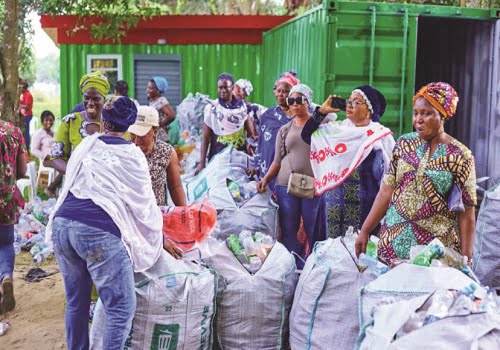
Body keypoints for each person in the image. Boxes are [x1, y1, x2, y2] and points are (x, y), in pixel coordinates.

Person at [46, 97, 162, 349]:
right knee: (120, 308)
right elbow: (142, 204)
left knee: (76, 301)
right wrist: (157, 237)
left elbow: (72, 184)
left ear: (103, 120)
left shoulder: (87, 145)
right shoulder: (131, 154)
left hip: (63, 226)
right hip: (96, 233)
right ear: (130, 124)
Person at [355, 82, 477, 264]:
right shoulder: (404, 144)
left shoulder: (460, 155)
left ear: (442, 115)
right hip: (393, 245)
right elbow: (386, 192)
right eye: (416, 113)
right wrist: (365, 230)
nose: (418, 119)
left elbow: (467, 211)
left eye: (426, 113)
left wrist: (467, 258)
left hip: (434, 254)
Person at [301, 86, 395, 238]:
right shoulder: (337, 131)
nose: (349, 105)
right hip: (331, 209)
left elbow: (388, 178)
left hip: (363, 210)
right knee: (329, 254)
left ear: (369, 110)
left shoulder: (379, 137)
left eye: (357, 102)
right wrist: (322, 112)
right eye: (349, 101)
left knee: (356, 257)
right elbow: (306, 136)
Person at [256, 84, 327, 268]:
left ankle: (313, 267)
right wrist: (265, 179)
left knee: (314, 229)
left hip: (312, 185)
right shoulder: (285, 130)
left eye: (299, 100)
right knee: (289, 229)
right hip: (285, 185)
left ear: (308, 102)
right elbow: (277, 160)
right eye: (291, 101)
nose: (294, 104)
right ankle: (289, 268)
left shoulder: (320, 127)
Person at [51, 70, 110, 174]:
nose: (90, 103)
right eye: (87, 98)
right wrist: (75, 173)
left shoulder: (113, 123)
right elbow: (56, 158)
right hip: (76, 184)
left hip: (106, 185)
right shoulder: (70, 121)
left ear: (104, 99)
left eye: (96, 99)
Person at [128, 105, 187, 207]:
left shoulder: (166, 152)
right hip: (129, 213)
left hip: (156, 214)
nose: (136, 140)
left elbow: (175, 186)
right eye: (133, 134)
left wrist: (184, 213)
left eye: (142, 135)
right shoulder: (125, 150)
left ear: (155, 131)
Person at [195, 73, 251, 175]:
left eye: (226, 87)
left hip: (239, 157)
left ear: (232, 88)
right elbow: (206, 137)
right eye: (220, 87)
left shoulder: (242, 108)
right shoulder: (212, 108)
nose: (223, 90)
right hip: (218, 156)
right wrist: (202, 163)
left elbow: (250, 134)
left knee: (237, 187)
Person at [253, 71, 300, 191]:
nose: (280, 94)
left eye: (285, 91)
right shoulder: (267, 115)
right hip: (268, 168)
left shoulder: (301, 115)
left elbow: (331, 117)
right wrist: (256, 166)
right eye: (278, 90)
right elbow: (261, 145)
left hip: (292, 172)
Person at [0, 117, 27, 314]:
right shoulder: (14, 131)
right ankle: (6, 276)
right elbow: (22, 170)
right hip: (6, 197)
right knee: (6, 243)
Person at [31, 110, 64, 197]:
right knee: (63, 168)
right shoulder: (39, 134)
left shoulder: (55, 134)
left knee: (67, 166)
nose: (49, 122)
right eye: (46, 120)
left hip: (56, 158)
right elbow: (34, 150)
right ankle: (52, 189)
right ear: (42, 121)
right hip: (46, 160)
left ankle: (55, 188)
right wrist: (45, 156)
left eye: (50, 120)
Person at [147, 77, 176, 143]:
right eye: (148, 88)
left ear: (158, 90)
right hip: (155, 136)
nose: (147, 90)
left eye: (151, 88)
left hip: (161, 137)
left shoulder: (161, 100)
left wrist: (160, 124)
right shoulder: (152, 100)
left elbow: (172, 116)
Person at [19, 79, 34, 151]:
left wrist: (19, 105)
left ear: (24, 87)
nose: (19, 89)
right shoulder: (24, 94)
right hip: (24, 115)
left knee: (26, 132)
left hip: (27, 116)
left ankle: (27, 148)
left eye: (20, 87)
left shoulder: (28, 95)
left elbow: (27, 106)